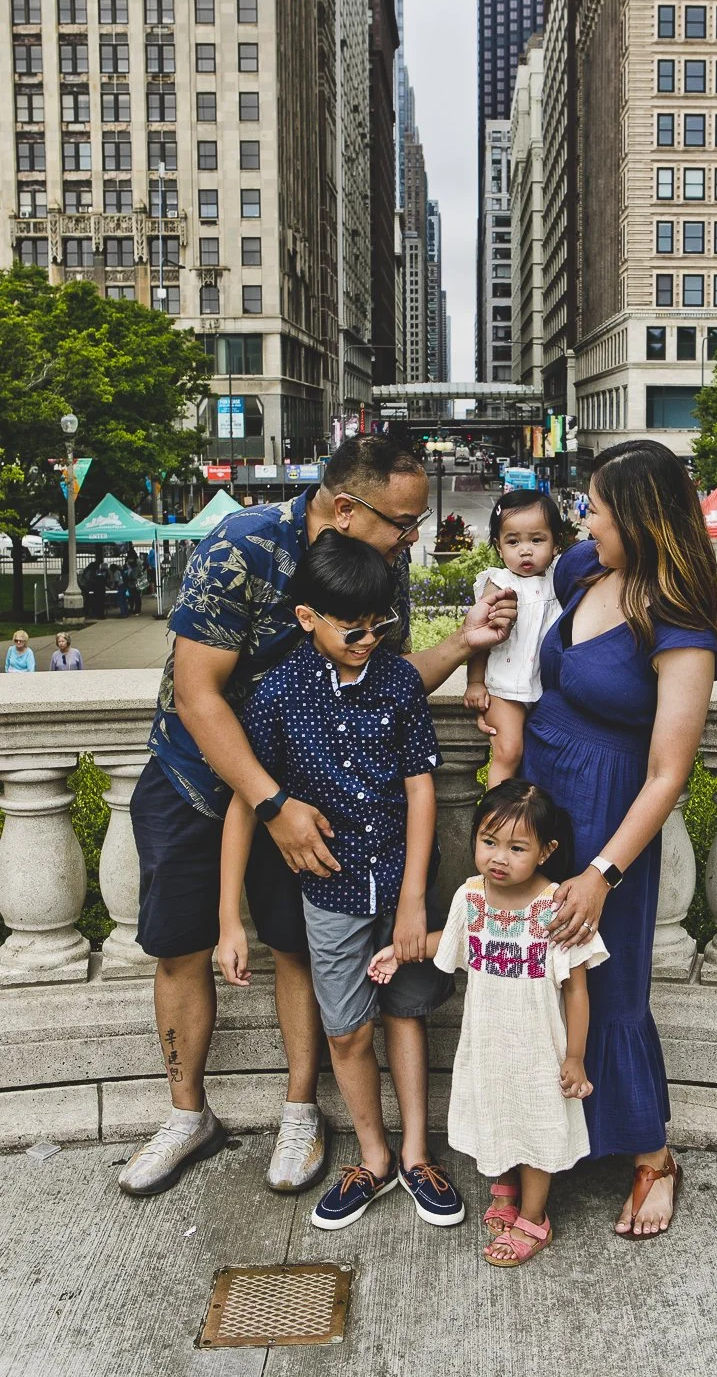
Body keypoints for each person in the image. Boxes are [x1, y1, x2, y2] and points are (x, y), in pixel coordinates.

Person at [120, 436, 517, 1200]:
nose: (412, 538)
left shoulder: (380, 566)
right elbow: (200, 696)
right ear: (345, 509)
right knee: (178, 945)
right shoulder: (243, 545)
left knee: (297, 945)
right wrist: (271, 806)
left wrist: (466, 641)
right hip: (199, 778)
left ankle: (301, 1110)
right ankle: (185, 1115)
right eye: (404, 522)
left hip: (314, 797)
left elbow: (382, 682)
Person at [218, 533, 465, 1230]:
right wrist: (229, 921)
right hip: (327, 894)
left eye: (380, 624)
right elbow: (245, 803)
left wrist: (414, 897)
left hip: (399, 887)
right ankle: (374, 1156)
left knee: (407, 1013)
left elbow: (422, 789)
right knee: (347, 1029)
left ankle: (418, 1154)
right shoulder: (278, 695)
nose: (368, 639)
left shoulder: (397, 681)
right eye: (352, 628)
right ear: (307, 619)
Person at [518, 440, 717, 1239]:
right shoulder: (582, 571)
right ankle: (554, 1138)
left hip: (612, 815)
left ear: (638, 516)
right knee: (538, 973)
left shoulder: (681, 617)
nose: (584, 519)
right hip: (541, 803)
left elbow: (669, 772)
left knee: (610, 987)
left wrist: (604, 872)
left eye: (597, 507)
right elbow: (520, 610)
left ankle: (651, 1157)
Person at [369, 780, 607, 1265]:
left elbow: (577, 989)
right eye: (488, 841)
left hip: (540, 1047)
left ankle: (534, 1217)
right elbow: (447, 940)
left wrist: (575, 1057)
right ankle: (505, 1184)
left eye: (517, 848)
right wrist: (399, 952)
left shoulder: (556, 909)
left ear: (546, 851)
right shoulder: (471, 896)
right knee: (496, 1112)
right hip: (487, 1041)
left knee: (536, 1124)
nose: (498, 857)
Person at [464, 492, 563, 787]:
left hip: (545, 687)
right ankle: (496, 811)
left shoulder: (558, 578)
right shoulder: (500, 583)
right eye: (513, 541)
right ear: (498, 546)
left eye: (537, 540)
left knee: (540, 758)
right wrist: (475, 682)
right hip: (505, 687)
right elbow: (479, 638)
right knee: (509, 751)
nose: (525, 551)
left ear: (556, 543)